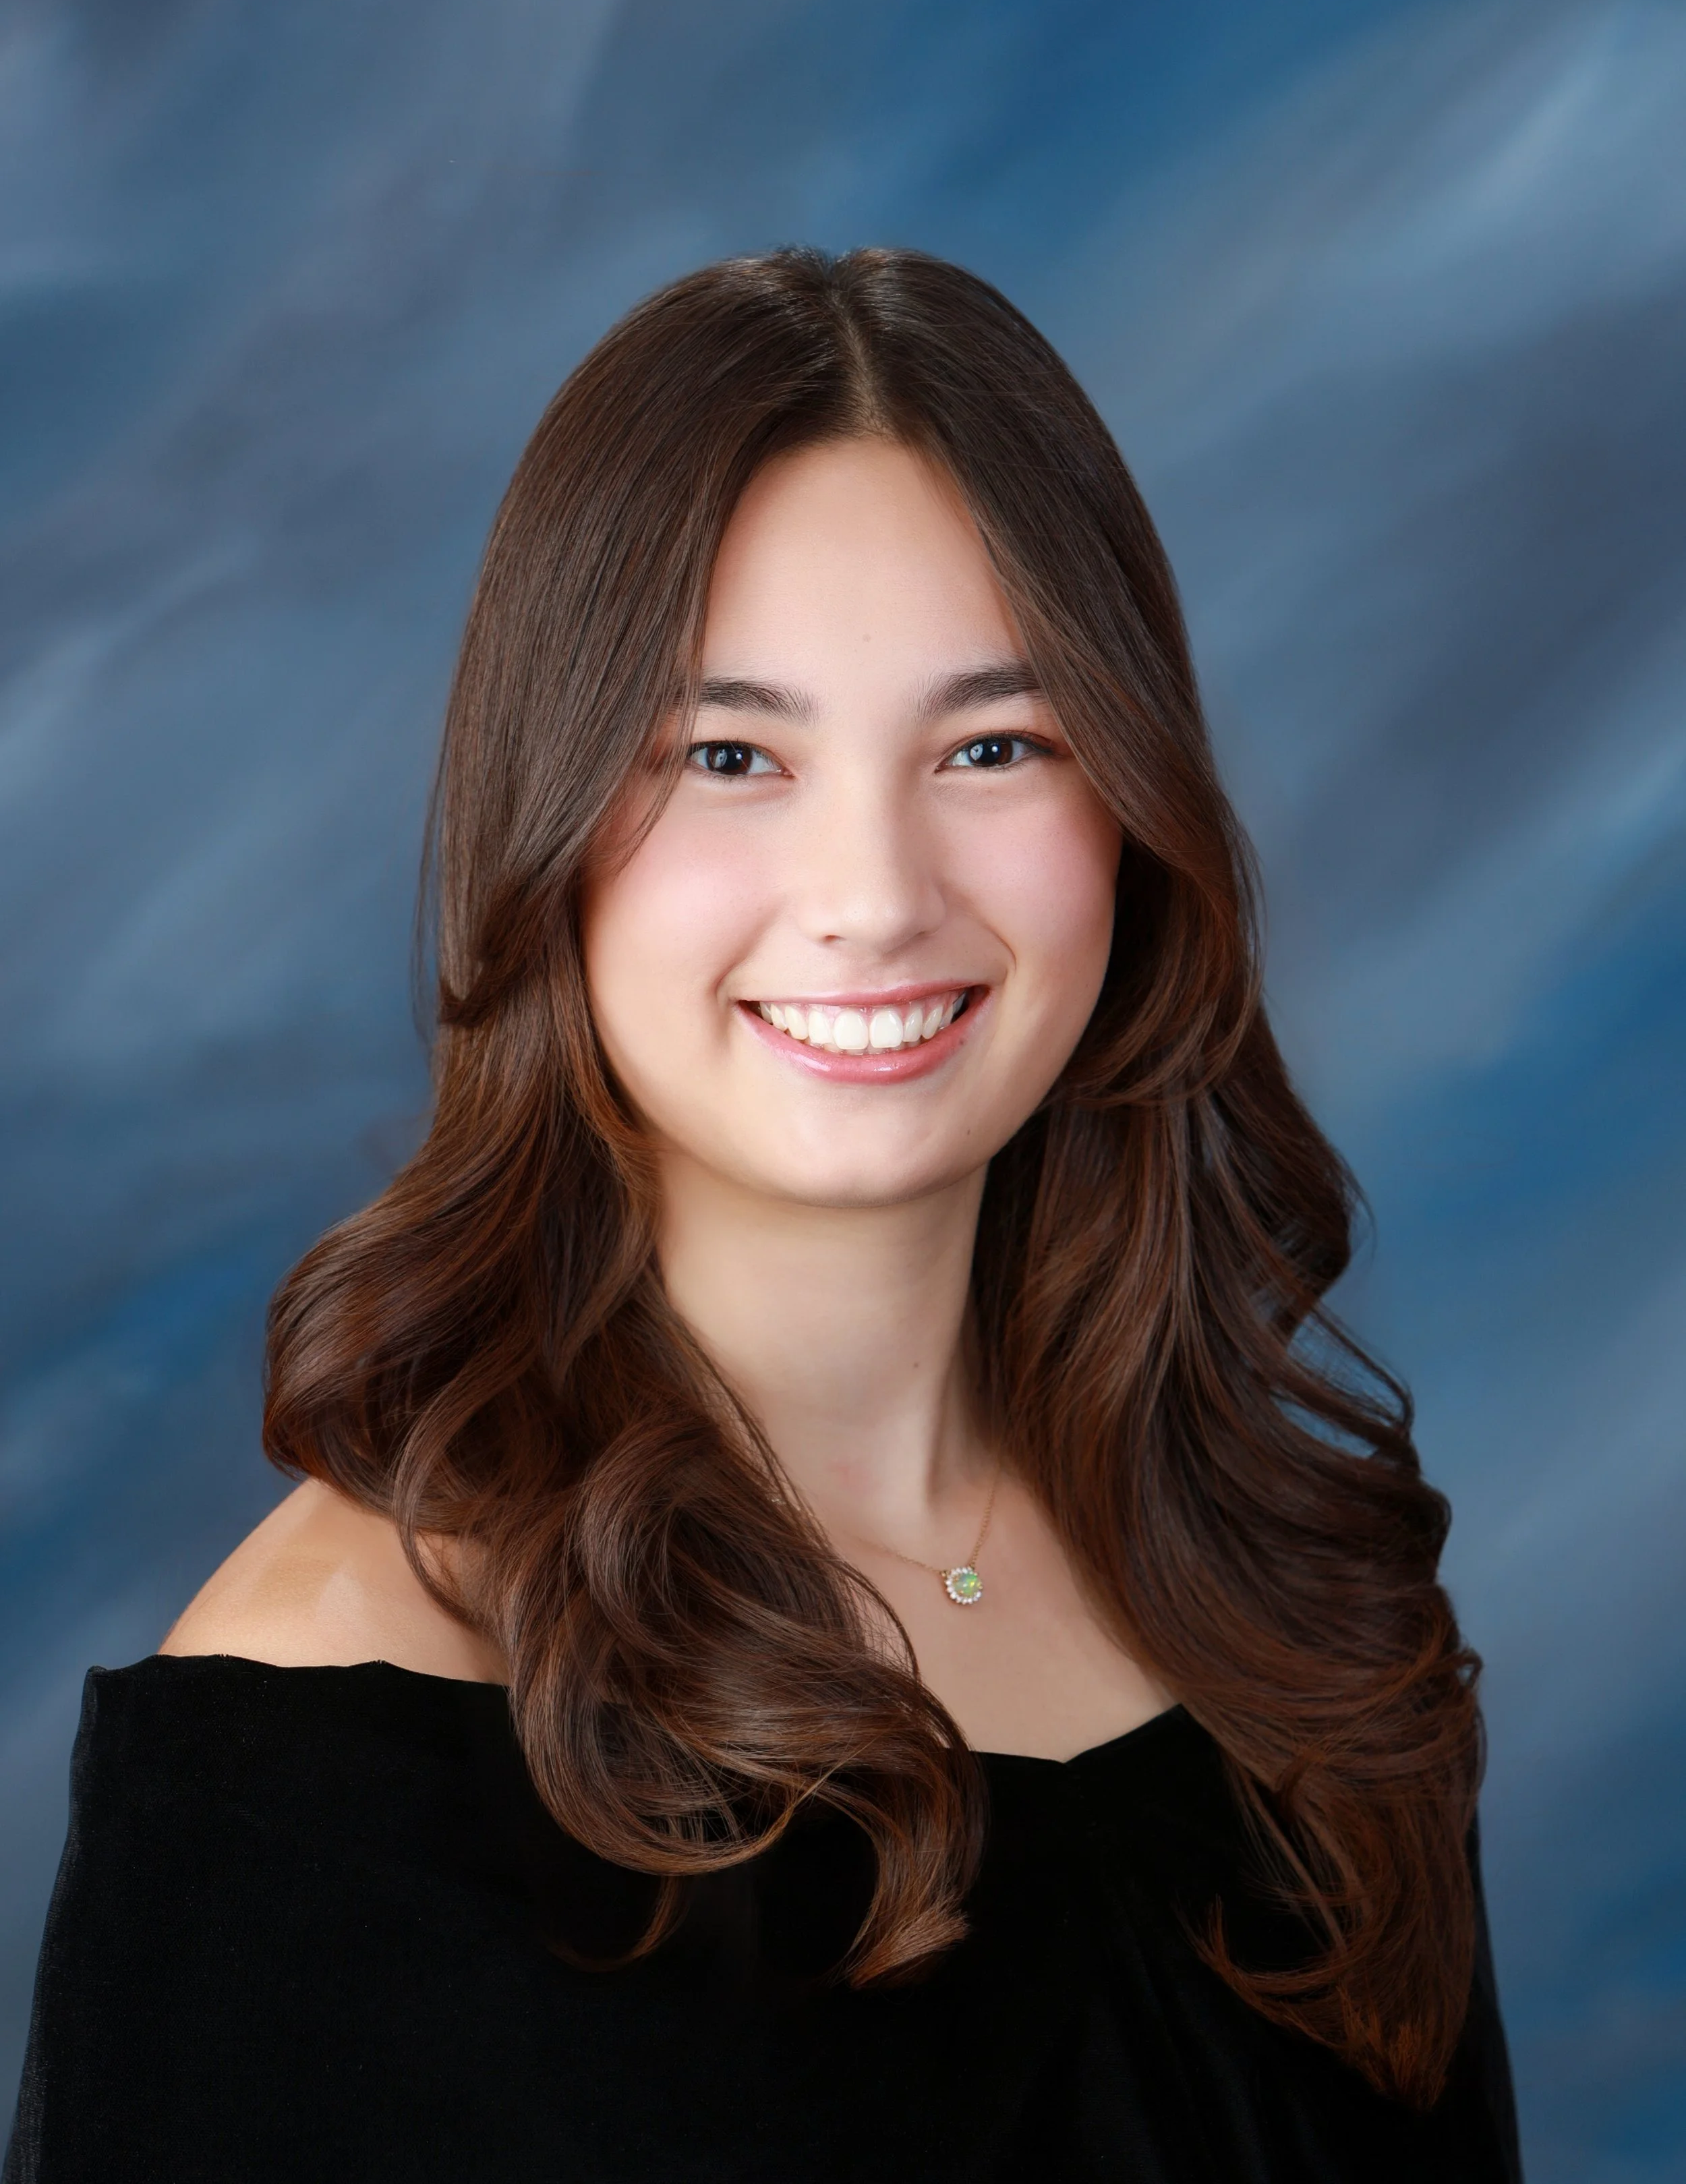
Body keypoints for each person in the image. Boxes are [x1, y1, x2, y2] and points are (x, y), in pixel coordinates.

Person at [5, 247, 1521, 2183]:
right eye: (729, 757)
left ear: (1133, 811)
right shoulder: (323, 1724)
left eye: (993, 746)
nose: (873, 895)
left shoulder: (1297, 1609)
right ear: (549, 831)